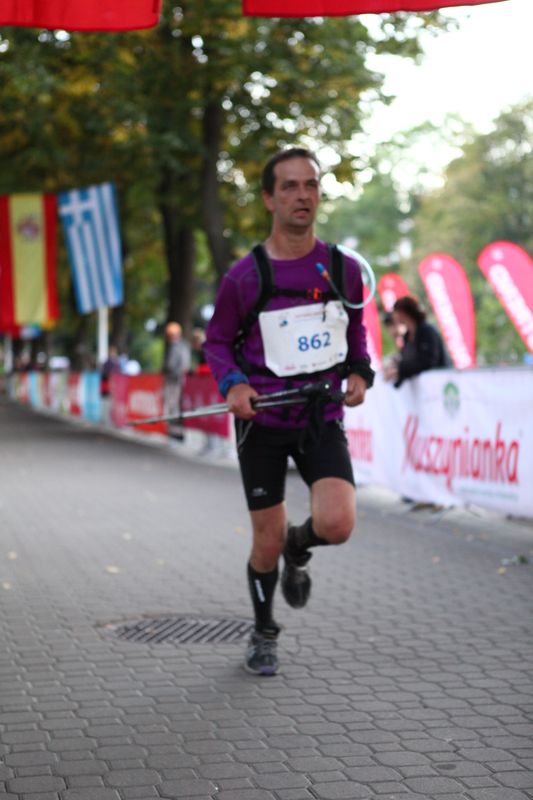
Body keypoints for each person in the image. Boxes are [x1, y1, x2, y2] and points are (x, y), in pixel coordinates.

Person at [204, 147, 374, 676]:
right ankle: (263, 633)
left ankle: (300, 545)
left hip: (320, 416)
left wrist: (359, 372)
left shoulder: (342, 268)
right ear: (269, 199)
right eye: (290, 186)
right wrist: (234, 384)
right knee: (265, 540)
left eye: (311, 185)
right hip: (263, 422)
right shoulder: (245, 276)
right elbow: (217, 342)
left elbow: (355, 331)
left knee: (338, 524)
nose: (303, 195)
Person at [383, 295, 449, 388]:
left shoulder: (427, 331)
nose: (394, 316)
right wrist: (397, 366)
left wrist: (400, 370)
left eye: (396, 312)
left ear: (403, 313)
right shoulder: (408, 335)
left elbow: (428, 361)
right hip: (422, 387)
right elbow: (407, 359)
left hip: (437, 384)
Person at [162, 321, 191, 440]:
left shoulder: (180, 347)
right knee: (172, 405)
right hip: (173, 379)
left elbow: (182, 365)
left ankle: (176, 431)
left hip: (176, 380)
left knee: (174, 405)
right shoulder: (178, 346)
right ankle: (172, 430)